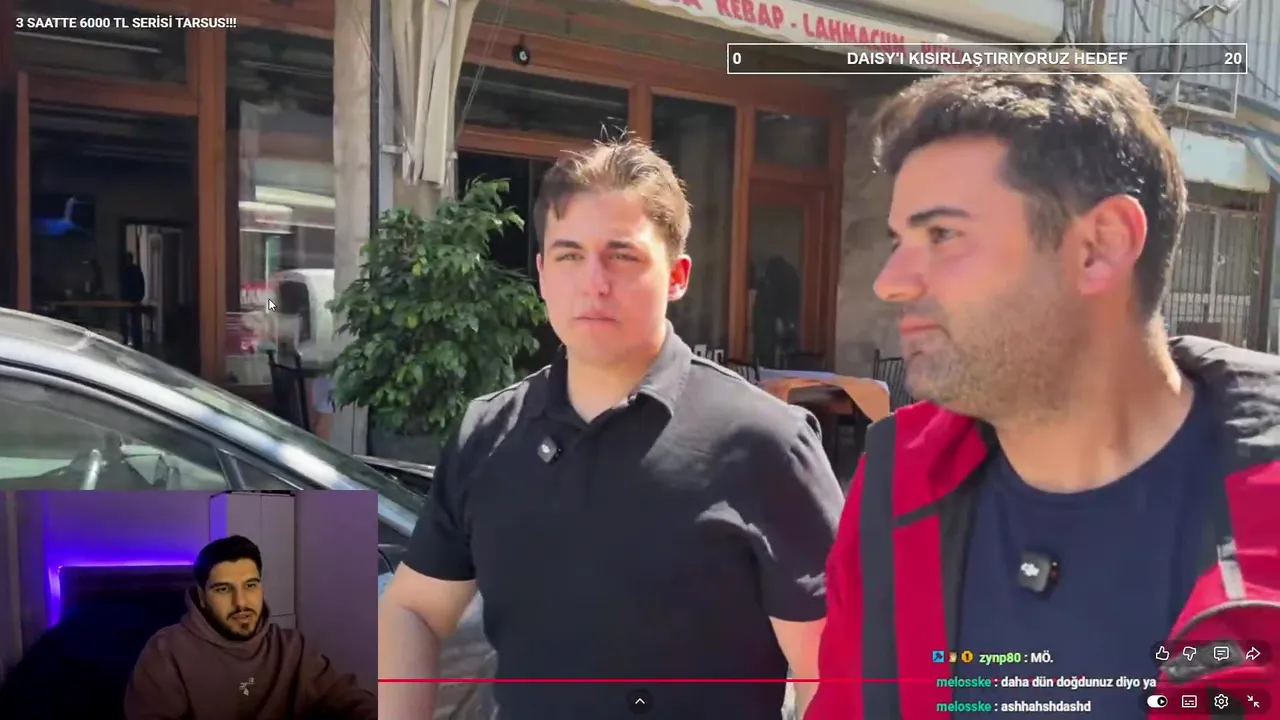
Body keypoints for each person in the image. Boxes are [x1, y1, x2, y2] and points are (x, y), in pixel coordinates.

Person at [807, 70, 1280, 720]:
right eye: (898, 242)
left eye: (941, 235)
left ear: (1099, 247)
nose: (890, 282)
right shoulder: (897, 483)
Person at [379, 138, 845, 720]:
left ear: (677, 276)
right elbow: (413, 610)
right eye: (570, 256)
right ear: (542, 274)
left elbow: (836, 674)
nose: (593, 283)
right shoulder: (489, 434)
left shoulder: (764, 443)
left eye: (622, 256)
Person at [124, 535, 376, 720]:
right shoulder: (165, 651)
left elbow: (348, 698)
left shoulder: (291, 648)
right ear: (201, 597)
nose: (241, 602)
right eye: (224, 589)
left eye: (250, 585)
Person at [120, 251, 147, 348]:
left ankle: (130, 339)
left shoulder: (127, 271)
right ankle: (135, 340)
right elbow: (141, 284)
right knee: (134, 321)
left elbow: (125, 285)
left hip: (131, 299)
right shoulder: (135, 270)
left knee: (131, 321)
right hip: (134, 298)